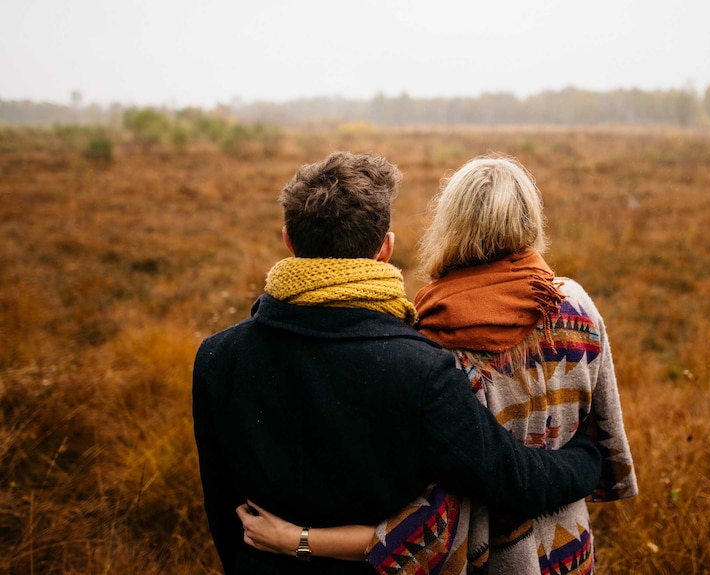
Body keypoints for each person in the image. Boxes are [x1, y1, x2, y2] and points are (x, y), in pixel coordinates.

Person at [192, 151, 605, 575]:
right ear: (385, 248)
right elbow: (512, 479)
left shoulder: (215, 358)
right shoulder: (420, 367)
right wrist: (587, 460)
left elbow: (223, 512)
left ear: (288, 240)